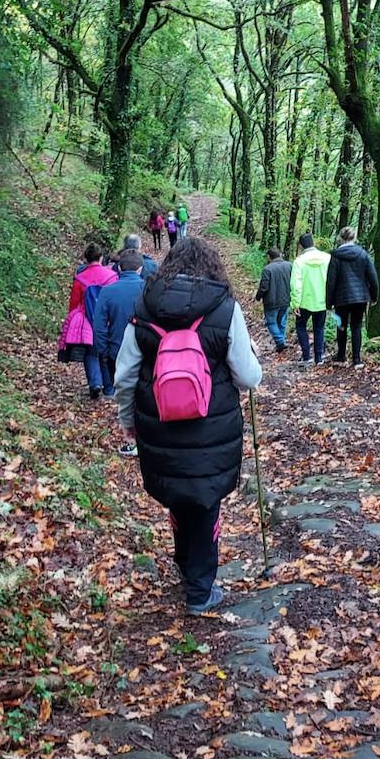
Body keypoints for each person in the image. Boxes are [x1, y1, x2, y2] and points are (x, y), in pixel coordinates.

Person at [112, 238, 262, 614]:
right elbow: (247, 377)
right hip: (212, 428)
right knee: (206, 501)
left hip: (158, 424)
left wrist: (128, 422)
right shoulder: (225, 308)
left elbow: (125, 374)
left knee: (177, 495)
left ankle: (186, 567)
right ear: (212, 267)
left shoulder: (144, 306)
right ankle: (200, 590)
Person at [56, 244, 118, 398]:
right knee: (105, 353)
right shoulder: (111, 276)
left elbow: (74, 303)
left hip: (87, 319)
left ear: (86, 259)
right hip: (107, 319)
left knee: (90, 353)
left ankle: (95, 383)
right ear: (101, 258)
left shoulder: (80, 279)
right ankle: (109, 388)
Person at [92, 249, 147, 416]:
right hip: (144, 349)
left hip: (116, 349)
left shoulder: (107, 291)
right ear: (140, 270)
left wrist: (103, 351)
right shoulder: (148, 290)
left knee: (123, 392)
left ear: (119, 269)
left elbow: (98, 326)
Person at [326, 226, 378, 368]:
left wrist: (328, 303)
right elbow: (373, 276)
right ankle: (357, 360)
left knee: (341, 326)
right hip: (360, 297)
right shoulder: (363, 254)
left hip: (341, 298)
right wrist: (374, 296)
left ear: (340, 238)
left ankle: (341, 356)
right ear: (354, 238)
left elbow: (331, 280)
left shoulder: (336, 256)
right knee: (356, 326)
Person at [289, 233, 330, 367]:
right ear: (313, 243)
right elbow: (331, 280)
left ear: (300, 246)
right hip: (322, 301)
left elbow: (296, 284)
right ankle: (318, 358)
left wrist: (295, 303)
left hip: (304, 302)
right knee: (319, 328)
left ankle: (306, 356)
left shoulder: (299, 261)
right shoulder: (326, 258)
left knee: (301, 326)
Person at [255, 248, 292, 353]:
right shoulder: (289, 265)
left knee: (271, 322)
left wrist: (258, 297)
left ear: (269, 257)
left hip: (271, 301)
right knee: (282, 322)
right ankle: (281, 343)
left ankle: (280, 342)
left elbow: (264, 286)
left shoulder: (268, 269)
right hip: (286, 299)